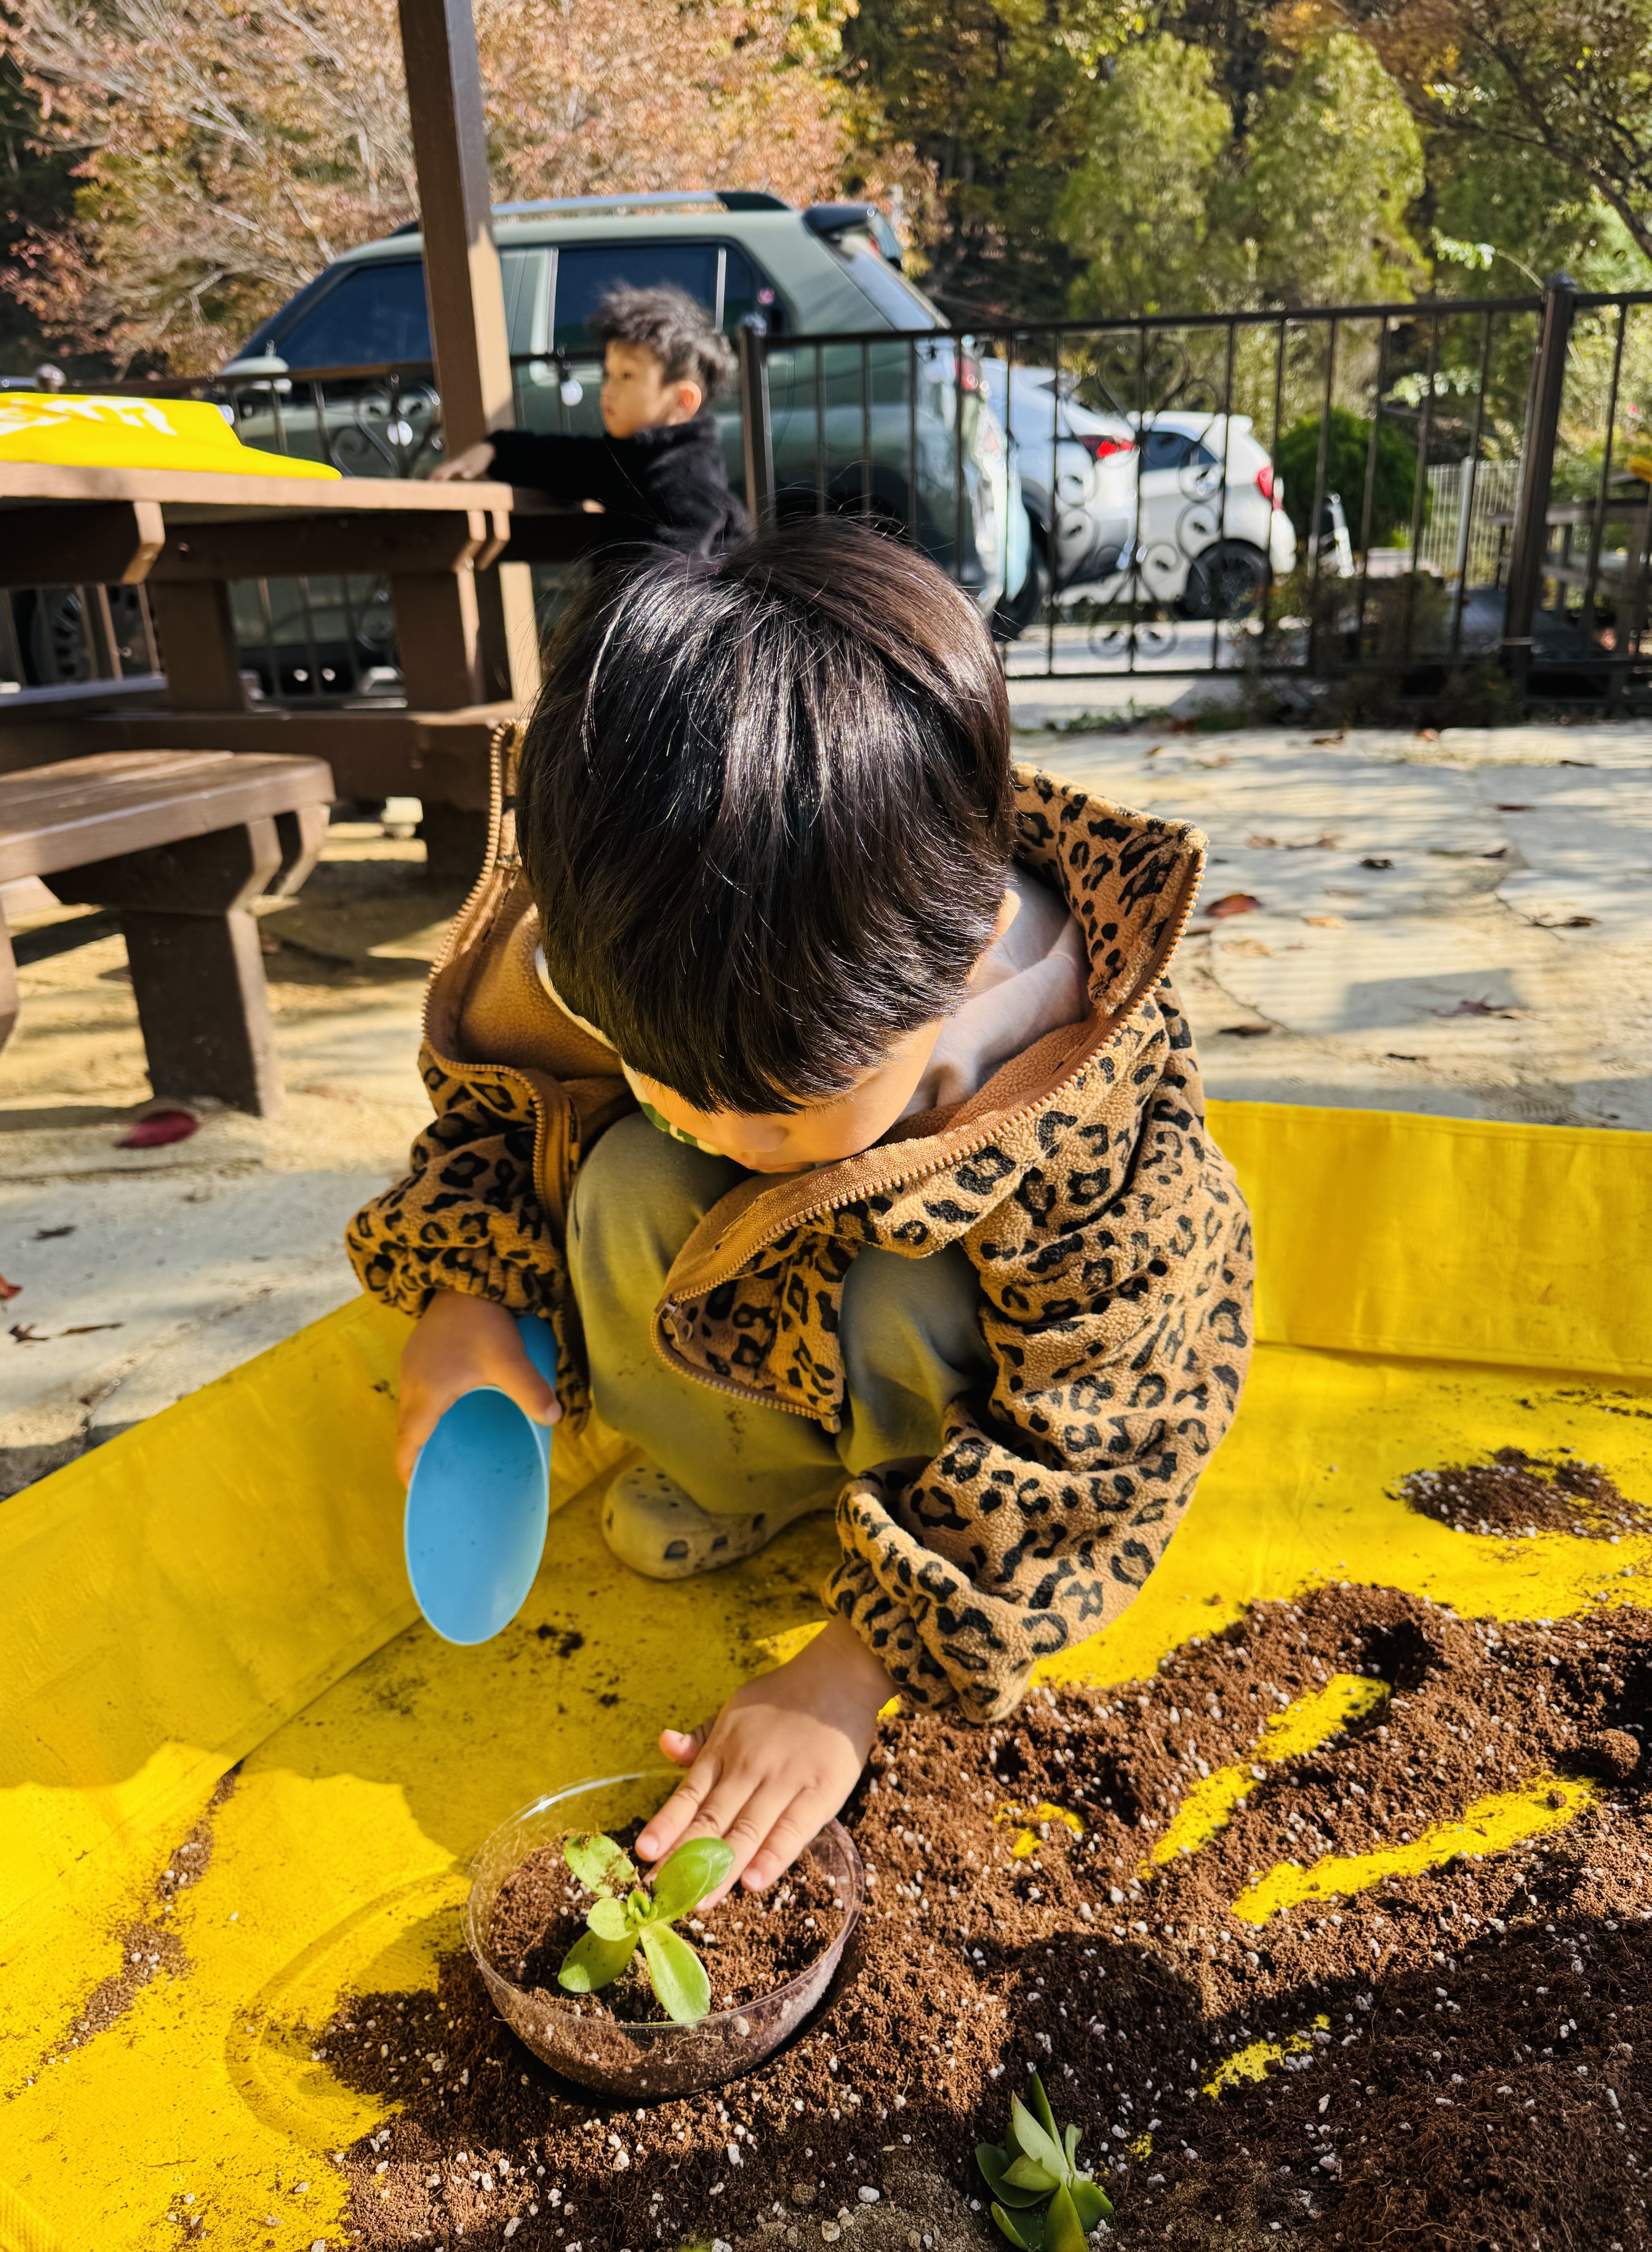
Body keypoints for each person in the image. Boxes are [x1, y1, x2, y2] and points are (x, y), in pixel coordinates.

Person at [347, 516, 1253, 1898]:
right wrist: (470, 1293)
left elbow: (1113, 1420)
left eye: (776, 1105)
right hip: (764, 1295)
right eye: (665, 1075)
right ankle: (747, 1479)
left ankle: (889, 1528)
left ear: (954, 963)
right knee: (629, 1179)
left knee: (902, 1286)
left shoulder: (1073, 1081)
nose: (718, 1126)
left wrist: (858, 1667)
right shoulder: (643, 930)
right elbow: (503, 1117)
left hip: (956, 1384)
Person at [431, 282, 750, 559]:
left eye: (627, 376)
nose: (608, 389)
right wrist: (496, 449)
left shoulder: (689, 480)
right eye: (608, 373)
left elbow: (665, 578)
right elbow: (562, 459)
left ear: (682, 401)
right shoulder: (634, 456)